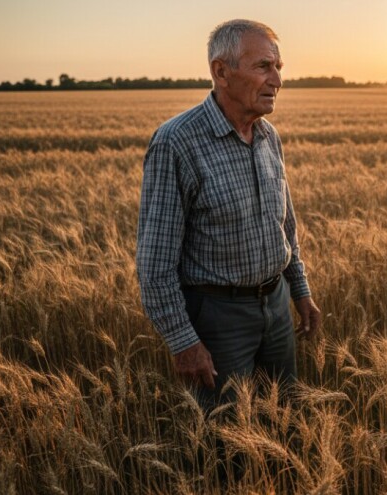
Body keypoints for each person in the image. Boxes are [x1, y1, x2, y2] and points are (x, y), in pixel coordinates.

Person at [136, 19, 321, 410]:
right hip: (218, 317)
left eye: (279, 68)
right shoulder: (176, 142)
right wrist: (183, 341)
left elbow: (284, 226)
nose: (277, 80)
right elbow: (155, 264)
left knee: (284, 420)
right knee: (226, 441)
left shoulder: (269, 136)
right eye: (263, 67)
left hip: (276, 304)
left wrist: (299, 290)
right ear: (221, 71)